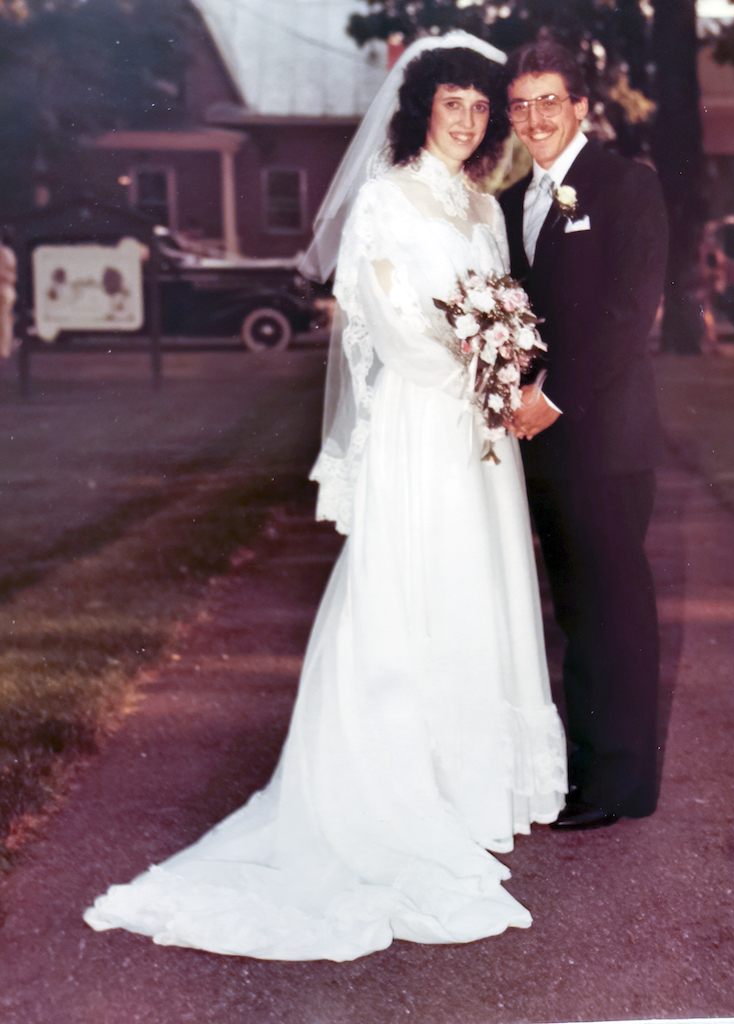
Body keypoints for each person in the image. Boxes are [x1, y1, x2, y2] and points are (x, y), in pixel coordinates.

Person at [84, 32, 566, 962]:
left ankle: (470, 790)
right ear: (422, 107)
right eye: (450, 104)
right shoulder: (386, 201)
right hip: (424, 430)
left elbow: (500, 299)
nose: (465, 122)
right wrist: (475, 371)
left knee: (480, 590)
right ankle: (392, 790)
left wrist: (505, 366)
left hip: (479, 440)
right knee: (409, 591)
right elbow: (384, 323)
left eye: (478, 107)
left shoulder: (481, 204)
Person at [498, 39, 668, 831]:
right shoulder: (508, 203)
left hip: (606, 442)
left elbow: (629, 316)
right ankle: (589, 770)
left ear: (582, 107)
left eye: (549, 102)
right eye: (521, 104)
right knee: (575, 613)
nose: (534, 118)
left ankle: (622, 784)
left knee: (614, 611)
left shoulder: (626, 186)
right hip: (544, 448)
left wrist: (554, 397)